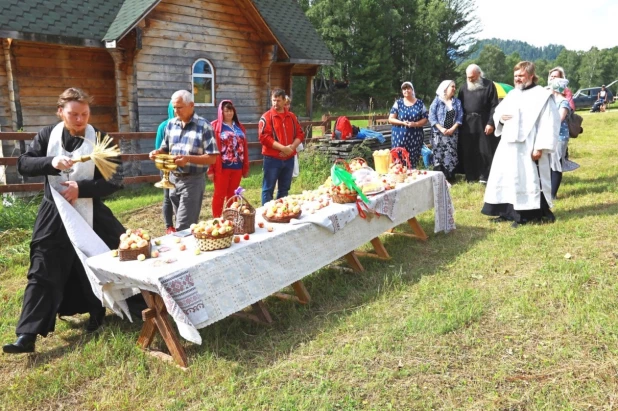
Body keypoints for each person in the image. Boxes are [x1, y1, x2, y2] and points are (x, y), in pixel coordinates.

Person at [3, 88, 125, 354]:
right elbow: (24, 164)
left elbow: (115, 180)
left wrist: (81, 189)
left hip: (91, 211)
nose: (79, 119)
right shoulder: (48, 136)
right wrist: (50, 161)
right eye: (73, 114)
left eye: (84, 114)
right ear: (61, 112)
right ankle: (27, 334)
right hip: (54, 212)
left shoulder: (101, 140)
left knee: (96, 262)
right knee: (42, 268)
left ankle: (97, 312)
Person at [481, 61, 560, 228]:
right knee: (507, 177)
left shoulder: (542, 96)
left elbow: (550, 123)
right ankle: (507, 212)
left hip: (529, 146)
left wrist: (540, 147)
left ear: (531, 76)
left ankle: (527, 215)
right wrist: (500, 119)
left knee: (527, 179)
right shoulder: (513, 94)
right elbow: (498, 113)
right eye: (515, 75)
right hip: (508, 145)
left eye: (521, 75)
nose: (517, 78)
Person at [149, 90, 219, 230]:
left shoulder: (204, 126)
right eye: (174, 107)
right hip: (173, 180)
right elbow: (165, 148)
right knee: (183, 223)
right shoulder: (171, 125)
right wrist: (157, 152)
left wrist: (188, 159)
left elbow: (212, 158)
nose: (176, 111)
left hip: (193, 181)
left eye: (179, 107)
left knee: (183, 226)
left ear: (191, 105)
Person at [258, 89, 305, 205]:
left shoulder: (292, 117)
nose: (275, 103)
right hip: (272, 158)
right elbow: (264, 137)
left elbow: (300, 133)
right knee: (268, 189)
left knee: (284, 189)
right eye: (274, 100)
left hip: (289, 158)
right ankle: (266, 214)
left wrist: (291, 148)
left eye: (278, 101)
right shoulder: (266, 117)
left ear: (285, 101)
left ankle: (280, 213)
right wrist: (283, 148)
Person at [457, 64, 500, 183]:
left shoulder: (489, 85)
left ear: (479, 74)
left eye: (472, 77)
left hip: (483, 122)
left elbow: (494, 105)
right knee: (468, 149)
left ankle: (484, 176)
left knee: (484, 150)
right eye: (468, 77)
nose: (470, 79)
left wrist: (491, 123)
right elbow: (459, 106)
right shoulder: (463, 88)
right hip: (467, 123)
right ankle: (470, 176)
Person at [208, 100, 249, 217]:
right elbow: (210, 149)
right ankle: (216, 218)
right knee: (219, 194)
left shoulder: (239, 127)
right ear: (221, 112)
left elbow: (244, 147)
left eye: (231, 110)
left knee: (233, 194)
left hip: (237, 166)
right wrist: (210, 169)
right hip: (222, 167)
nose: (229, 113)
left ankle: (231, 217)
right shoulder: (215, 126)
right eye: (226, 111)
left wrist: (245, 167)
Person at [388, 81, 429, 168]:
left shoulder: (420, 103)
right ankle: (399, 176)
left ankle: (412, 175)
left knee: (413, 158)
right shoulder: (398, 103)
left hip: (415, 136)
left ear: (412, 90)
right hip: (399, 136)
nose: (406, 90)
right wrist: (402, 122)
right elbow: (391, 119)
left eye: (408, 88)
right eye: (404, 89)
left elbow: (425, 119)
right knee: (399, 157)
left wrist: (415, 124)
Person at [428, 80, 463, 180]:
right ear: (445, 88)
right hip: (438, 134)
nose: (454, 89)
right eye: (452, 87)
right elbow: (432, 117)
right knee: (439, 154)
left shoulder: (456, 102)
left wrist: (452, 129)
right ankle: (439, 177)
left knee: (450, 153)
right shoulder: (437, 101)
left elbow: (459, 118)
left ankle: (450, 177)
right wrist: (441, 129)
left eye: (455, 87)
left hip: (452, 134)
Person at [548, 78, 572, 199]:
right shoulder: (551, 100)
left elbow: (560, 118)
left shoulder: (563, 102)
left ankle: (553, 194)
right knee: (549, 164)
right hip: (550, 136)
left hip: (560, 137)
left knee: (556, 164)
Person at [155, 100, 176, 234]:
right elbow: (158, 148)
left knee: (179, 197)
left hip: (182, 168)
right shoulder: (164, 126)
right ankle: (169, 226)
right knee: (168, 197)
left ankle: (181, 223)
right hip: (167, 167)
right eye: (174, 108)